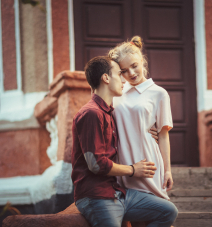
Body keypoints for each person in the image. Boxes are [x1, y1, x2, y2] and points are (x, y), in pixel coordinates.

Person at [71, 56, 178, 227]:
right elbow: (96, 164)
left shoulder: (109, 112)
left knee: (168, 211)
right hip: (96, 196)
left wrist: (147, 132)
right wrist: (133, 170)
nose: (124, 79)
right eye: (119, 74)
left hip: (117, 193)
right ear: (106, 78)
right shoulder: (91, 113)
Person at [109, 36, 173, 200]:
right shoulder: (117, 92)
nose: (131, 73)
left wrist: (167, 170)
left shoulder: (159, 94)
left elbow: (163, 135)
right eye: (123, 70)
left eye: (134, 66)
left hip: (148, 159)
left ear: (142, 62)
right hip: (123, 163)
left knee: (157, 209)